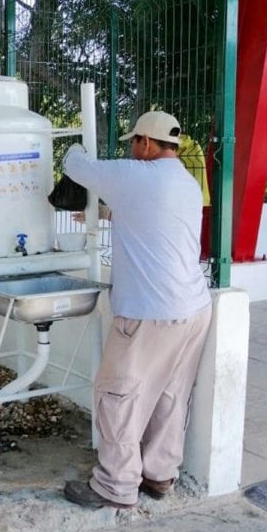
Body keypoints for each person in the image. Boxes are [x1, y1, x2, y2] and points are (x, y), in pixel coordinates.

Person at [61, 111, 212, 509]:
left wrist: (77, 142)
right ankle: (160, 475)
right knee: (170, 395)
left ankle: (114, 485)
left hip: (149, 312)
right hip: (194, 308)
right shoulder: (186, 183)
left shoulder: (134, 174)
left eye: (133, 142)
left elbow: (75, 166)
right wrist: (106, 215)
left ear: (146, 142)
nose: (131, 148)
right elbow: (155, 220)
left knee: (118, 394)